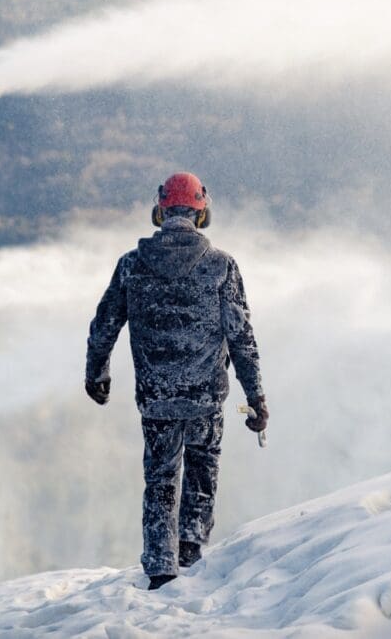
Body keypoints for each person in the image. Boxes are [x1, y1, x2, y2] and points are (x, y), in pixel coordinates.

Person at [85, 171, 267, 591]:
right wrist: (256, 397)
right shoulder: (222, 266)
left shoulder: (131, 266)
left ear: (160, 211)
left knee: (161, 479)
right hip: (205, 401)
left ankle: (161, 570)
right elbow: (242, 338)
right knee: (202, 471)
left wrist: (97, 374)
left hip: (156, 401)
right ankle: (190, 551)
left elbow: (104, 326)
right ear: (201, 213)